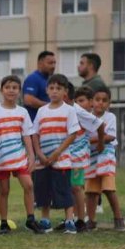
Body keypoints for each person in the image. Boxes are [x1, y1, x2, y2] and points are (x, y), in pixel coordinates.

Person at [0, 75, 41, 234]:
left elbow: (26, 135)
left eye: (15, 88)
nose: (11, 90)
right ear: (2, 90)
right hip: (1, 157)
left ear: (19, 91)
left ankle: (31, 219)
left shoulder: (22, 112)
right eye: (8, 87)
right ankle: (4, 222)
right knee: (4, 190)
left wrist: (31, 156)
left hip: (18, 157)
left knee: (29, 185)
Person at [31, 73, 81, 233]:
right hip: (43, 160)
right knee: (43, 190)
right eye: (51, 88)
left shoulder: (69, 111)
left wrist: (56, 154)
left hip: (62, 159)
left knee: (63, 189)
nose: (54, 91)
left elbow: (72, 134)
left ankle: (69, 220)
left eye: (58, 88)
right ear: (46, 90)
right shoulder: (41, 111)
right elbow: (35, 133)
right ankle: (45, 220)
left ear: (65, 91)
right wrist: (39, 153)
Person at [66, 86, 105, 233]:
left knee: (76, 187)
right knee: (71, 188)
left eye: (82, 100)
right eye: (77, 100)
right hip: (67, 156)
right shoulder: (67, 110)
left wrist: (100, 143)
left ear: (90, 102)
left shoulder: (80, 112)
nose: (79, 103)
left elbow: (101, 125)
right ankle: (72, 218)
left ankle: (82, 219)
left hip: (78, 157)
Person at [85, 88, 125, 231]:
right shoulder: (87, 117)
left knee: (108, 188)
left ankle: (119, 218)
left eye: (104, 100)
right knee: (91, 190)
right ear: (91, 101)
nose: (100, 103)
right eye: (97, 99)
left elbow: (110, 137)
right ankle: (90, 220)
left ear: (109, 103)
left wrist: (91, 140)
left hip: (106, 155)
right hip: (91, 157)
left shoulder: (110, 117)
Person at [22, 51, 56, 121]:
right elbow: (28, 100)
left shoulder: (49, 80)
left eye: (54, 63)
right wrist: (52, 106)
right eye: (50, 63)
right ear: (40, 63)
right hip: (35, 125)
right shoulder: (33, 78)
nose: (53, 66)